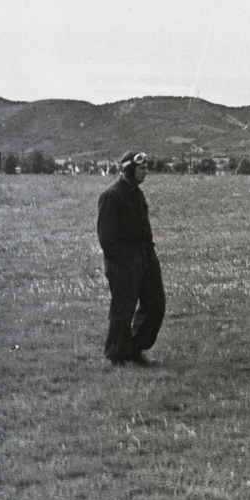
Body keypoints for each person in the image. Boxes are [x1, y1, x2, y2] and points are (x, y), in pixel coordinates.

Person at [97, 150, 166, 365]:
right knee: (122, 310)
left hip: (145, 257)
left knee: (156, 305)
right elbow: (107, 240)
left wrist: (149, 256)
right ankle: (116, 356)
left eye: (146, 167)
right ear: (129, 169)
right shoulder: (112, 196)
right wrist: (126, 263)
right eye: (142, 168)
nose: (146, 172)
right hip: (123, 262)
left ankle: (135, 348)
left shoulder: (137, 193)